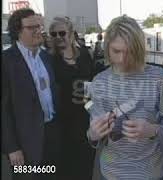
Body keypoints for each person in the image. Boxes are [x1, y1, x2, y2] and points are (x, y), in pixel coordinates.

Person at [86, 15, 163, 180]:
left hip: (152, 174)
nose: (122, 59)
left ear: (139, 49)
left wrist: (152, 130)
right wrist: (93, 134)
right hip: (111, 173)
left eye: (129, 52)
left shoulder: (160, 78)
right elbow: (92, 136)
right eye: (116, 51)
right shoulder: (99, 81)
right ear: (107, 48)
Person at [2, 8, 60, 180]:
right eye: (31, 27)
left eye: (39, 26)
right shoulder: (6, 61)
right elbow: (3, 109)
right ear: (18, 31)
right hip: (24, 143)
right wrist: (12, 147)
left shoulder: (46, 57)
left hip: (50, 134)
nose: (38, 30)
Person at [48, 16, 96, 180]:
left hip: (85, 119)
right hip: (62, 123)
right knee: (65, 168)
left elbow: (92, 82)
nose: (58, 37)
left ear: (71, 33)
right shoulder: (49, 60)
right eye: (53, 34)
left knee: (85, 166)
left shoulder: (84, 55)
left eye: (62, 33)